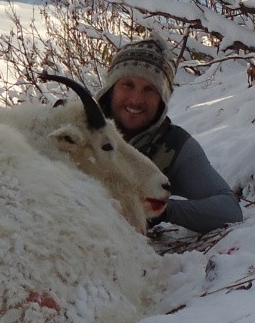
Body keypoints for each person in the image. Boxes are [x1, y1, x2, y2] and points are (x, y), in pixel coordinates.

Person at [95, 34, 243, 233]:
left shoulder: (174, 146)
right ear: (111, 89)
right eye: (127, 85)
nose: (136, 100)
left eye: (149, 89)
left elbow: (229, 210)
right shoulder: (74, 128)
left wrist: (160, 210)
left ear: (162, 100)